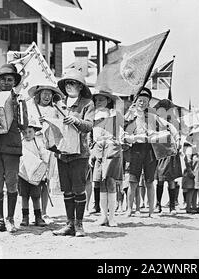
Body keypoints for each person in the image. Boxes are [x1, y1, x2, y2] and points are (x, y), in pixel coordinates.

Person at [0, 64, 28, 233]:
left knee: (11, 182)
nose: (6, 82)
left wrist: (18, 107)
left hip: (11, 146)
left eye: (10, 80)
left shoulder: (19, 99)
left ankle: (10, 219)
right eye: (3, 79)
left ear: (14, 82)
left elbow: (24, 124)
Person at [123, 88, 178, 218]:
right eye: (140, 100)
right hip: (135, 149)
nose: (142, 103)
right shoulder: (129, 116)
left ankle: (151, 211)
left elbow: (170, 126)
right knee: (133, 181)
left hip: (150, 150)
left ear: (148, 103)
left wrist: (177, 138)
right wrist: (134, 137)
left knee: (149, 181)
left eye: (145, 101)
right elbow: (122, 134)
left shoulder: (153, 117)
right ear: (135, 101)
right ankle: (129, 209)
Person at [52, 69, 94, 237]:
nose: (70, 86)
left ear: (81, 86)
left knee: (78, 189)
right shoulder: (59, 103)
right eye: (67, 83)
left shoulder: (87, 103)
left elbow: (89, 125)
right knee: (67, 190)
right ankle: (69, 224)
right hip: (63, 152)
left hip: (79, 153)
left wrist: (76, 120)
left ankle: (79, 225)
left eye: (73, 83)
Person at [27, 83, 64, 224]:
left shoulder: (55, 109)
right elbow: (27, 126)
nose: (47, 96)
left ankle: (44, 211)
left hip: (49, 146)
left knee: (46, 179)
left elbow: (60, 127)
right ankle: (33, 212)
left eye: (49, 93)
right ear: (39, 94)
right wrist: (37, 125)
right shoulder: (32, 108)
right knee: (35, 177)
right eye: (44, 93)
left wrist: (50, 121)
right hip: (35, 145)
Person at [88, 88, 124, 227]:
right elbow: (89, 135)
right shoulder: (92, 115)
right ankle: (103, 216)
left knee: (110, 182)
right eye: (96, 100)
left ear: (108, 100)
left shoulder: (115, 114)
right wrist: (91, 150)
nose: (98, 102)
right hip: (98, 150)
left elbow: (123, 130)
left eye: (101, 99)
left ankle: (112, 217)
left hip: (111, 148)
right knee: (100, 183)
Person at [18, 121, 50, 227]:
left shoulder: (38, 142)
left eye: (30, 132)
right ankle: (25, 217)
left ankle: (38, 217)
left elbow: (44, 155)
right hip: (23, 173)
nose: (27, 135)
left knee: (36, 196)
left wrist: (43, 170)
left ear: (34, 131)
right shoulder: (20, 142)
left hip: (35, 172)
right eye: (24, 132)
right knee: (24, 195)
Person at [153, 99, 182, 215]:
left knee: (171, 180)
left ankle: (172, 206)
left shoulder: (171, 125)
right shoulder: (154, 123)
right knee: (160, 180)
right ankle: (158, 204)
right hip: (159, 155)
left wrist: (178, 143)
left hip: (170, 155)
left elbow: (177, 136)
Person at [182, 125, 199, 214]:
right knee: (191, 189)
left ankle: (194, 206)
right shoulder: (191, 147)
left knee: (196, 188)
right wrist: (190, 170)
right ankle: (188, 206)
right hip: (192, 171)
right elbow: (187, 159)